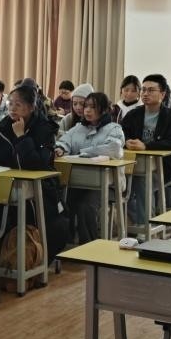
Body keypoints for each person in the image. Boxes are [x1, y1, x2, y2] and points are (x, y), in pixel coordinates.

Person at [0, 83, 66, 258]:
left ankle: (30, 256)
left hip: (41, 188)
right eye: (10, 103)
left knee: (29, 213)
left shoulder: (44, 129)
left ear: (31, 107)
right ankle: (2, 255)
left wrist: (21, 137)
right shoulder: (1, 128)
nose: (12, 108)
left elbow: (36, 164)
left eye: (18, 104)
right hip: (7, 184)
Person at [55, 92, 126, 243]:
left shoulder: (114, 129)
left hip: (105, 184)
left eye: (93, 107)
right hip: (77, 181)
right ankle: (65, 242)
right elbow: (64, 141)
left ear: (104, 110)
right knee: (60, 201)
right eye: (86, 106)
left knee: (85, 207)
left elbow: (113, 149)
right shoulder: (78, 128)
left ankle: (88, 245)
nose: (87, 110)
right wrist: (60, 149)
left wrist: (83, 153)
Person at [120, 74, 171, 224]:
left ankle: (145, 228)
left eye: (151, 90)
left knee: (142, 181)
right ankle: (140, 223)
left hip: (163, 168)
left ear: (162, 94)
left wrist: (147, 146)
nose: (145, 93)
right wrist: (126, 142)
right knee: (118, 184)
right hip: (134, 166)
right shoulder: (133, 114)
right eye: (143, 90)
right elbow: (120, 134)